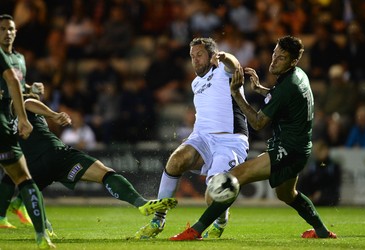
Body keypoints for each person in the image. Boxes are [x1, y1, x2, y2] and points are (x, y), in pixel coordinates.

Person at [170, 35, 337, 240]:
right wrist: (262, 91)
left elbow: (258, 123)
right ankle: (322, 231)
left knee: (233, 178)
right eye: (274, 54)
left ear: (293, 61)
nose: (274, 60)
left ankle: (195, 230)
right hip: (300, 149)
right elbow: (285, 101)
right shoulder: (298, 75)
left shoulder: (287, 86)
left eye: (281, 58)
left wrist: (237, 94)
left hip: (286, 149)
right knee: (287, 195)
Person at [0, 94, 178, 232]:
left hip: (34, 168)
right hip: (58, 155)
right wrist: (54, 115)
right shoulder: (22, 107)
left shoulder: (5, 124)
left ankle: (38, 225)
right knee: (104, 173)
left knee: (29, 187)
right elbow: (28, 102)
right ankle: (140, 203)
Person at [134, 37, 249, 239]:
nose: (195, 60)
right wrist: (192, 137)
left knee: (214, 194)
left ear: (212, 56)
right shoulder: (196, 83)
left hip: (229, 140)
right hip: (202, 137)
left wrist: (224, 56)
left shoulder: (224, 70)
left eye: (200, 55)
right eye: (192, 56)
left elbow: (234, 63)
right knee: (176, 160)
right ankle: (157, 220)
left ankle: (220, 222)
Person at [0, 13, 55, 248]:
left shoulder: (18, 59)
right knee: (23, 178)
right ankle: (42, 233)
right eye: (2, 29)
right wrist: (23, 119)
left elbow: (18, 88)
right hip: (5, 123)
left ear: (16, 31)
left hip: (4, 122)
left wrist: (31, 88)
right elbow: (11, 81)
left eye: (10, 28)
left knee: (17, 176)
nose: (7, 32)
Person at [297, 140, 342, 206]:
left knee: (327, 197)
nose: (319, 153)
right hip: (314, 195)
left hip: (329, 195)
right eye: (318, 151)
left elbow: (335, 185)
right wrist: (309, 195)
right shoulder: (313, 166)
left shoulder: (333, 166)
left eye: (321, 150)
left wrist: (322, 193)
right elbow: (305, 182)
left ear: (327, 151)